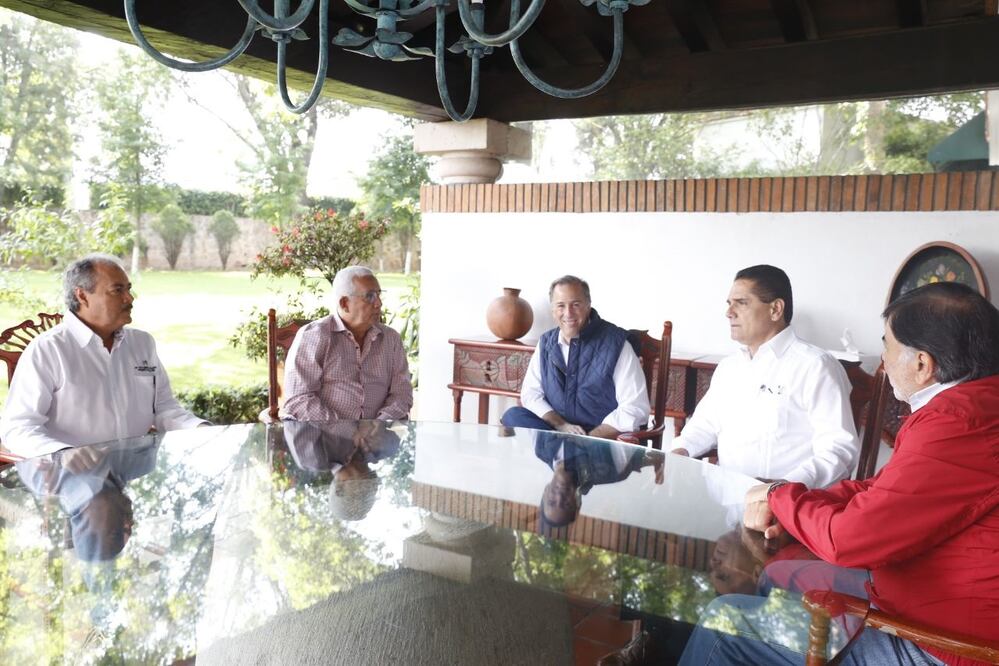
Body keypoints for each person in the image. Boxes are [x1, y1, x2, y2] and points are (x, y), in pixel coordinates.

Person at [720, 281, 999, 666]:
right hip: (924, 592)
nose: (883, 361)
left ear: (922, 364)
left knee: (723, 622)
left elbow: (849, 540)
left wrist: (779, 497)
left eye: (886, 344)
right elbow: (886, 490)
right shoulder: (979, 404)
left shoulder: (958, 422)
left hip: (944, 643)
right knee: (777, 573)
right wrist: (796, 502)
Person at [0, 254, 206, 459]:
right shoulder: (48, 349)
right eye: (118, 290)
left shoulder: (142, 344)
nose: (130, 298)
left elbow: (164, 408)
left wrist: (200, 428)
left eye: (128, 289)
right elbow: (18, 427)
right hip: (67, 480)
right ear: (82, 296)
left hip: (137, 473)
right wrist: (64, 455)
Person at [671, 265, 858, 488]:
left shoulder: (815, 366)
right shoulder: (729, 368)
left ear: (775, 309)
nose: (729, 313)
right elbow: (704, 425)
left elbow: (839, 450)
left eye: (741, 303)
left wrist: (782, 487)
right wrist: (679, 451)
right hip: (726, 502)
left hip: (789, 508)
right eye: (729, 304)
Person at [501, 275, 650, 440]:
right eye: (560, 305)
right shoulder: (545, 343)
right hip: (559, 431)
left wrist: (587, 440)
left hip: (600, 442)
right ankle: (562, 454)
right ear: (552, 310)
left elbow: (635, 408)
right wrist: (561, 425)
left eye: (576, 304)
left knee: (549, 444)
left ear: (588, 305)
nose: (568, 313)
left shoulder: (617, 344)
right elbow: (531, 394)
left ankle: (563, 455)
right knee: (513, 415)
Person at [282, 266, 412, 421]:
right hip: (322, 438)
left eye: (379, 295)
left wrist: (379, 426)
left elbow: (402, 394)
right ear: (344, 303)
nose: (378, 303)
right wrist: (345, 430)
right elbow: (299, 399)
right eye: (370, 296)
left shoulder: (391, 339)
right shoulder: (314, 336)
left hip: (378, 438)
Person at [533, 430, 664, 530]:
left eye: (551, 501)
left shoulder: (540, 450)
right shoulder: (611, 468)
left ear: (545, 492)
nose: (560, 497)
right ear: (577, 501)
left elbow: (523, 409)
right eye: (566, 504)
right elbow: (626, 424)